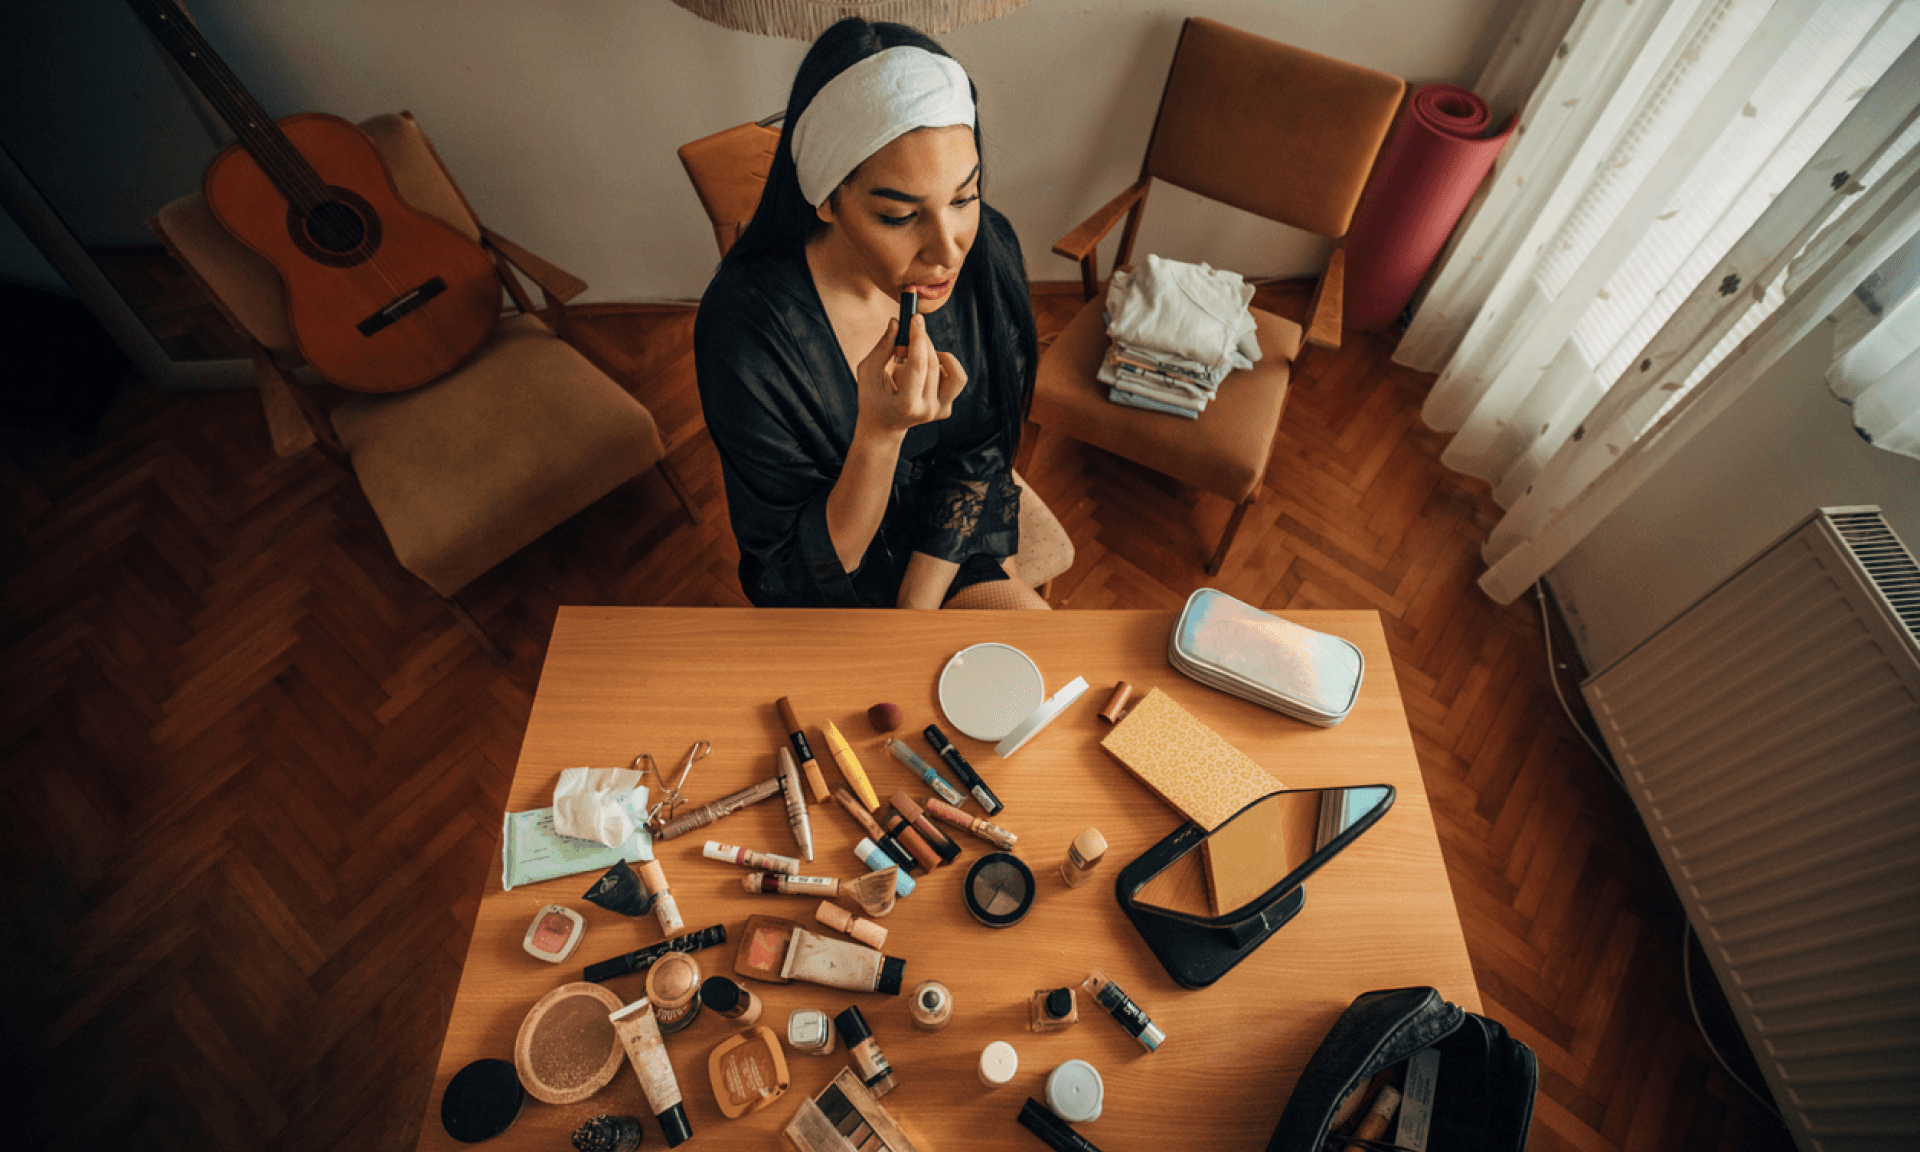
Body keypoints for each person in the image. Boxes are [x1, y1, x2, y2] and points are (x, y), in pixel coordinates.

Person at [694, 18, 1048, 610]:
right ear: (827, 198)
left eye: (964, 197)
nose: (949, 250)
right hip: (830, 580)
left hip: (947, 544)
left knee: (1061, 681)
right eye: (899, 216)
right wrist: (879, 435)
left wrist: (916, 609)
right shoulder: (746, 332)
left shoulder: (988, 253)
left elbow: (979, 456)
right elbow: (802, 572)